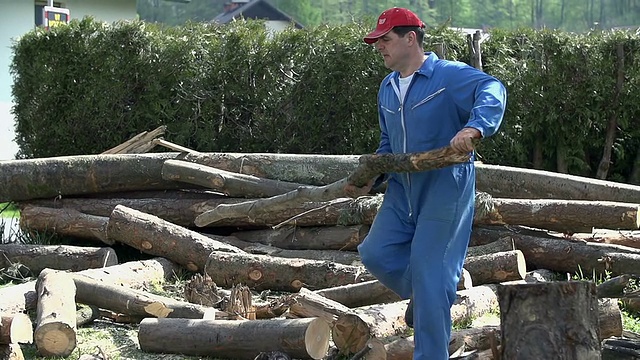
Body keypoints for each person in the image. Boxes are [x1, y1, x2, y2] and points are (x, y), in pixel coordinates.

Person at [345, 7, 507, 359]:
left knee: (429, 272)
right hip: (402, 189)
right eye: (377, 42)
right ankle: (431, 292)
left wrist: (475, 126)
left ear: (410, 38)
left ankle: (432, 347)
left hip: (445, 186)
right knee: (376, 253)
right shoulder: (387, 89)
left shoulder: (447, 76)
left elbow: (492, 88)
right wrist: (372, 175)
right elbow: (388, 145)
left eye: (385, 40)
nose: (379, 47)